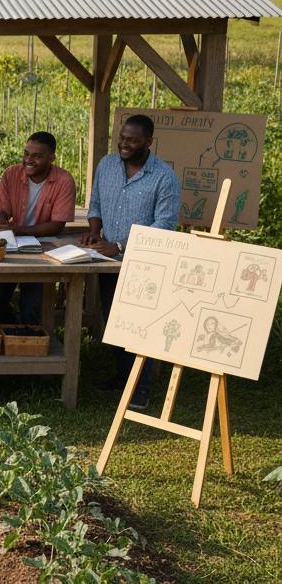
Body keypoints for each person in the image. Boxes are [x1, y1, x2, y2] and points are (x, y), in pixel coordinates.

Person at [79, 114, 180, 410]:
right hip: (107, 258)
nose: (124, 144)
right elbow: (95, 202)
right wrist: (94, 233)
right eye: (122, 138)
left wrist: (120, 245)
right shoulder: (107, 165)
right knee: (114, 321)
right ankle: (122, 378)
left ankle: (142, 388)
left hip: (145, 262)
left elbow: (166, 225)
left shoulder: (163, 177)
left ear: (148, 142)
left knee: (140, 326)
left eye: (132, 140)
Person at [0, 131, 76, 326]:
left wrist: (16, 230)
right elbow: (1, 209)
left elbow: (57, 225)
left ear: (51, 158)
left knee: (32, 307)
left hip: (44, 250)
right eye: (26, 153)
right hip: (11, 246)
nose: (28, 159)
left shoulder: (64, 180)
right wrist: (2, 223)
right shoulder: (11, 173)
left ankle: (27, 340)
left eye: (36, 156)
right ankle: (14, 332)